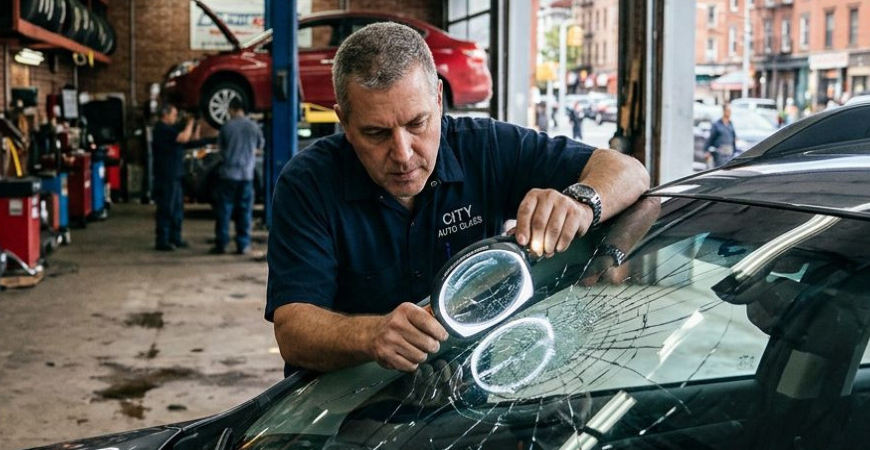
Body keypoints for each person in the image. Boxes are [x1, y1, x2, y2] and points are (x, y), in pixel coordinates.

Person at [266, 22, 650, 375]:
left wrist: (582, 202)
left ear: (438, 99)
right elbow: (293, 330)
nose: (402, 153)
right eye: (376, 133)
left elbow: (629, 172)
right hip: (346, 406)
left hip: (470, 387)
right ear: (344, 123)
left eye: (417, 124)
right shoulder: (307, 183)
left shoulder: (486, 147)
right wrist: (371, 335)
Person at [212, 101, 264, 255]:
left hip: (228, 174)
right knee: (244, 211)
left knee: (224, 210)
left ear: (232, 109)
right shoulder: (253, 127)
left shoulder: (226, 127)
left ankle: (221, 244)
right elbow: (260, 146)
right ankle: (243, 245)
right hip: (247, 175)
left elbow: (220, 149)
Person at [151, 103, 198, 251]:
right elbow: (184, 138)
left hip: (175, 175)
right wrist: (190, 123)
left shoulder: (170, 129)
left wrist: (194, 125)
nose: (176, 117)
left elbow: (190, 138)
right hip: (166, 175)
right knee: (166, 207)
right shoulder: (162, 129)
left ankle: (175, 238)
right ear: (165, 114)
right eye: (174, 114)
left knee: (177, 208)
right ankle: (162, 240)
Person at [705, 104, 737, 168]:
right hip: (719, 153)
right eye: (728, 111)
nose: (729, 113)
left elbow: (733, 137)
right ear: (724, 111)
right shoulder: (717, 124)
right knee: (721, 169)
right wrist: (707, 150)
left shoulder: (731, 124)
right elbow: (711, 138)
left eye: (730, 111)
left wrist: (734, 151)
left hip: (729, 152)